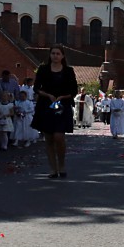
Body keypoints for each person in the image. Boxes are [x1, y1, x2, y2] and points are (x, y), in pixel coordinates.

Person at [31, 46, 78, 178]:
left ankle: (61, 164)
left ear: (62, 56)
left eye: (58, 54)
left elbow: (74, 90)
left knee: (59, 137)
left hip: (62, 106)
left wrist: (62, 97)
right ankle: (53, 168)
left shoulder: (68, 71)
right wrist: (47, 95)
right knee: (49, 138)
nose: (55, 56)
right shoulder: (43, 69)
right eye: (53, 53)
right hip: (46, 105)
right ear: (50, 55)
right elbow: (36, 88)